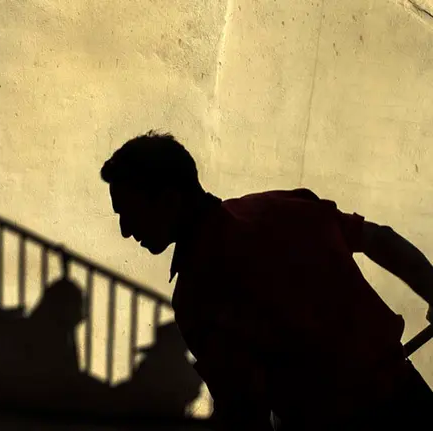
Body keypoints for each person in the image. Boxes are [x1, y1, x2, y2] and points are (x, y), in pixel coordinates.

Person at [100, 130, 433, 430]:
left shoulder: (198, 295)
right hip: (407, 399)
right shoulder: (281, 208)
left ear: (169, 199)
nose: (125, 230)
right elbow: (379, 240)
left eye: (129, 213)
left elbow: (245, 414)